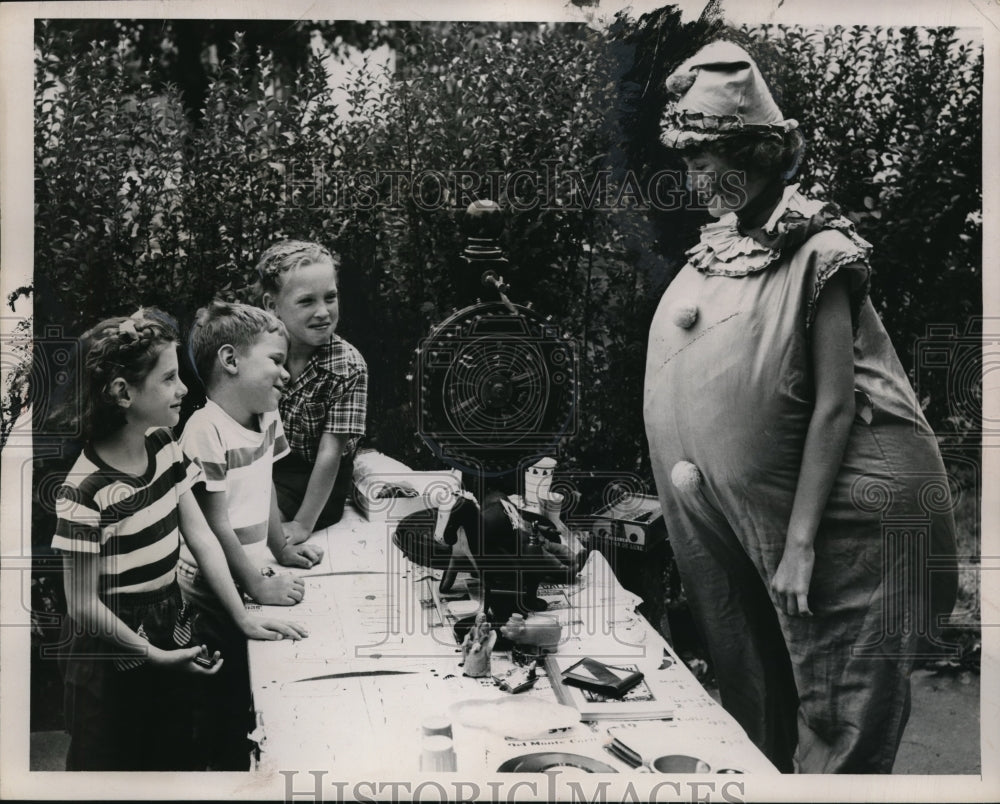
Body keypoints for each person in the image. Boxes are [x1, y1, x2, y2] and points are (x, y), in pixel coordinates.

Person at [643, 40, 958, 773]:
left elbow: (834, 408)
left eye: (702, 158)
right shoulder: (729, 246)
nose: (690, 176)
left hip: (853, 519)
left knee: (843, 706)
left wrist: (802, 544)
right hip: (765, 512)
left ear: (753, 151)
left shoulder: (819, 251)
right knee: (766, 691)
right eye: (686, 159)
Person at [51, 308, 308, 771]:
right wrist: (151, 653)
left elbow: (204, 536)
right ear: (123, 393)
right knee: (110, 762)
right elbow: (83, 604)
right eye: (169, 378)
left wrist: (242, 618)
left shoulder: (164, 446)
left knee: (171, 751)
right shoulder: (84, 490)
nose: (184, 388)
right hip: (110, 651)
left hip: (169, 616)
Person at [179, 300, 325, 769]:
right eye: (277, 361)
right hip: (208, 593)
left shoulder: (266, 416)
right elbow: (216, 526)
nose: (287, 375)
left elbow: (265, 488)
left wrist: (281, 546)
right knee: (219, 705)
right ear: (231, 360)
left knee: (255, 688)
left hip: (248, 578)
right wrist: (259, 585)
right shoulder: (205, 432)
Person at [257, 240, 368, 542]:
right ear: (272, 306)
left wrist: (303, 524)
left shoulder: (348, 366)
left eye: (330, 297)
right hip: (266, 468)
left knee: (254, 529)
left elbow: (330, 453)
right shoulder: (259, 352)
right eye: (306, 301)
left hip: (315, 482)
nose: (323, 312)